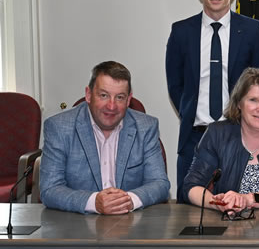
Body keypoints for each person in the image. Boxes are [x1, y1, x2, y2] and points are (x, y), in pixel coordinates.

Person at [166, 0, 259, 202]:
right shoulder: (181, 32)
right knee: (190, 215)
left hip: (241, 138)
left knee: (240, 213)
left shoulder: (253, 31)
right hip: (195, 138)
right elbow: (176, 86)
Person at [39, 61, 170, 214]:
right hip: (78, 225)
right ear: (88, 95)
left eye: (120, 97)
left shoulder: (146, 127)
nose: (111, 106)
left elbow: (159, 183)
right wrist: (93, 202)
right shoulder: (59, 127)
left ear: (129, 100)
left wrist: (127, 201)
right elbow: (50, 189)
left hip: (131, 223)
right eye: (104, 95)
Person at [182, 68, 259, 210]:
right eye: (253, 100)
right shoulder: (217, 133)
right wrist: (219, 204)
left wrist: (248, 199)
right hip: (227, 223)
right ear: (239, 103)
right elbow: (191, 187)